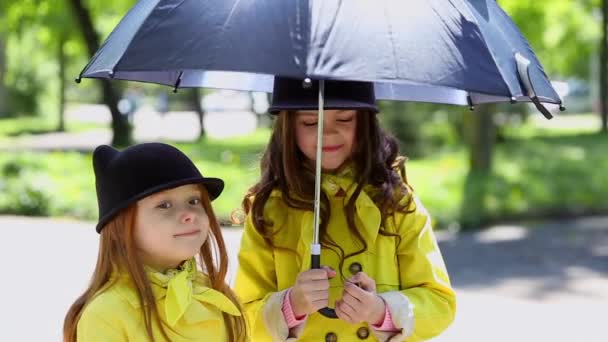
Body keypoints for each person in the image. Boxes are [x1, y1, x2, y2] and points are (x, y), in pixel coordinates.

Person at [234, 77, 456, 341]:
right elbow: (242, 316)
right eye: (310, 122)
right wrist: (291, 305)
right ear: (288, 128)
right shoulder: (269, 211)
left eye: (344, 119)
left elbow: (440, 303)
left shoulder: (396, 203)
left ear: (364, 124)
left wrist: (380, 311)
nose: (327, 133)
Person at [63, 142, 247, 342]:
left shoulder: (217, 296)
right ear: (118, 227)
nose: (189, 215)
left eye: (194, 201)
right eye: (164, 205)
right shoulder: (106, 314)